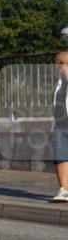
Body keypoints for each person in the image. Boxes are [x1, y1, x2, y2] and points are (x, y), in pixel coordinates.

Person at [51, 49, 68, 202]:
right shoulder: (58, 83)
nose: (56, 67)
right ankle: (64, 190)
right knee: (60, 157)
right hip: (60, 126)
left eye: (58, 64)